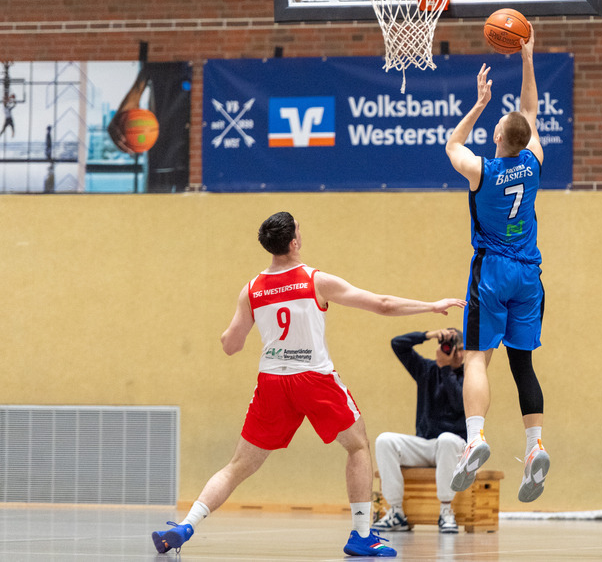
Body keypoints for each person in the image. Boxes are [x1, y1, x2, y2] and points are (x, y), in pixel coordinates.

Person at [151, 211, 465, 558]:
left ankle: (186, 526)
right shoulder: (315, 280)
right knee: (357, 446)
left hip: (272, 381)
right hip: (314, 377)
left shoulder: (252, 289)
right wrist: (432, 306)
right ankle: (362, 535)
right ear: (294, 242)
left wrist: (231, 332)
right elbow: (383, 305)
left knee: (238, 465)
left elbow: (231, 345)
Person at [444, 25, 550, 503]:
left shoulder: (481, 171)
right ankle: (535, 447)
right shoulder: (533, 162)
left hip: (492, 272)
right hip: (529, 275)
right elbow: (530, 111)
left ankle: (476, 439)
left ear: (499, 136)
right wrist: (528, 59)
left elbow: (452, 144)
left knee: (476, 358)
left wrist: (479, 103)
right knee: (522, 364)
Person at [373, 327, 467, 534]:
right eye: (453, 349)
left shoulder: (470, 375)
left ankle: (446, 511)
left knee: (447, 439)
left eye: (461, 349)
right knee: (385, 440)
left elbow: (459, 403)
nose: (457, 355)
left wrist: (446, 369)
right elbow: (398, 344)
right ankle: (396, 512)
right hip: (427, 445)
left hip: (456, 447)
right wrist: (427, 335)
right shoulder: (427, 370)